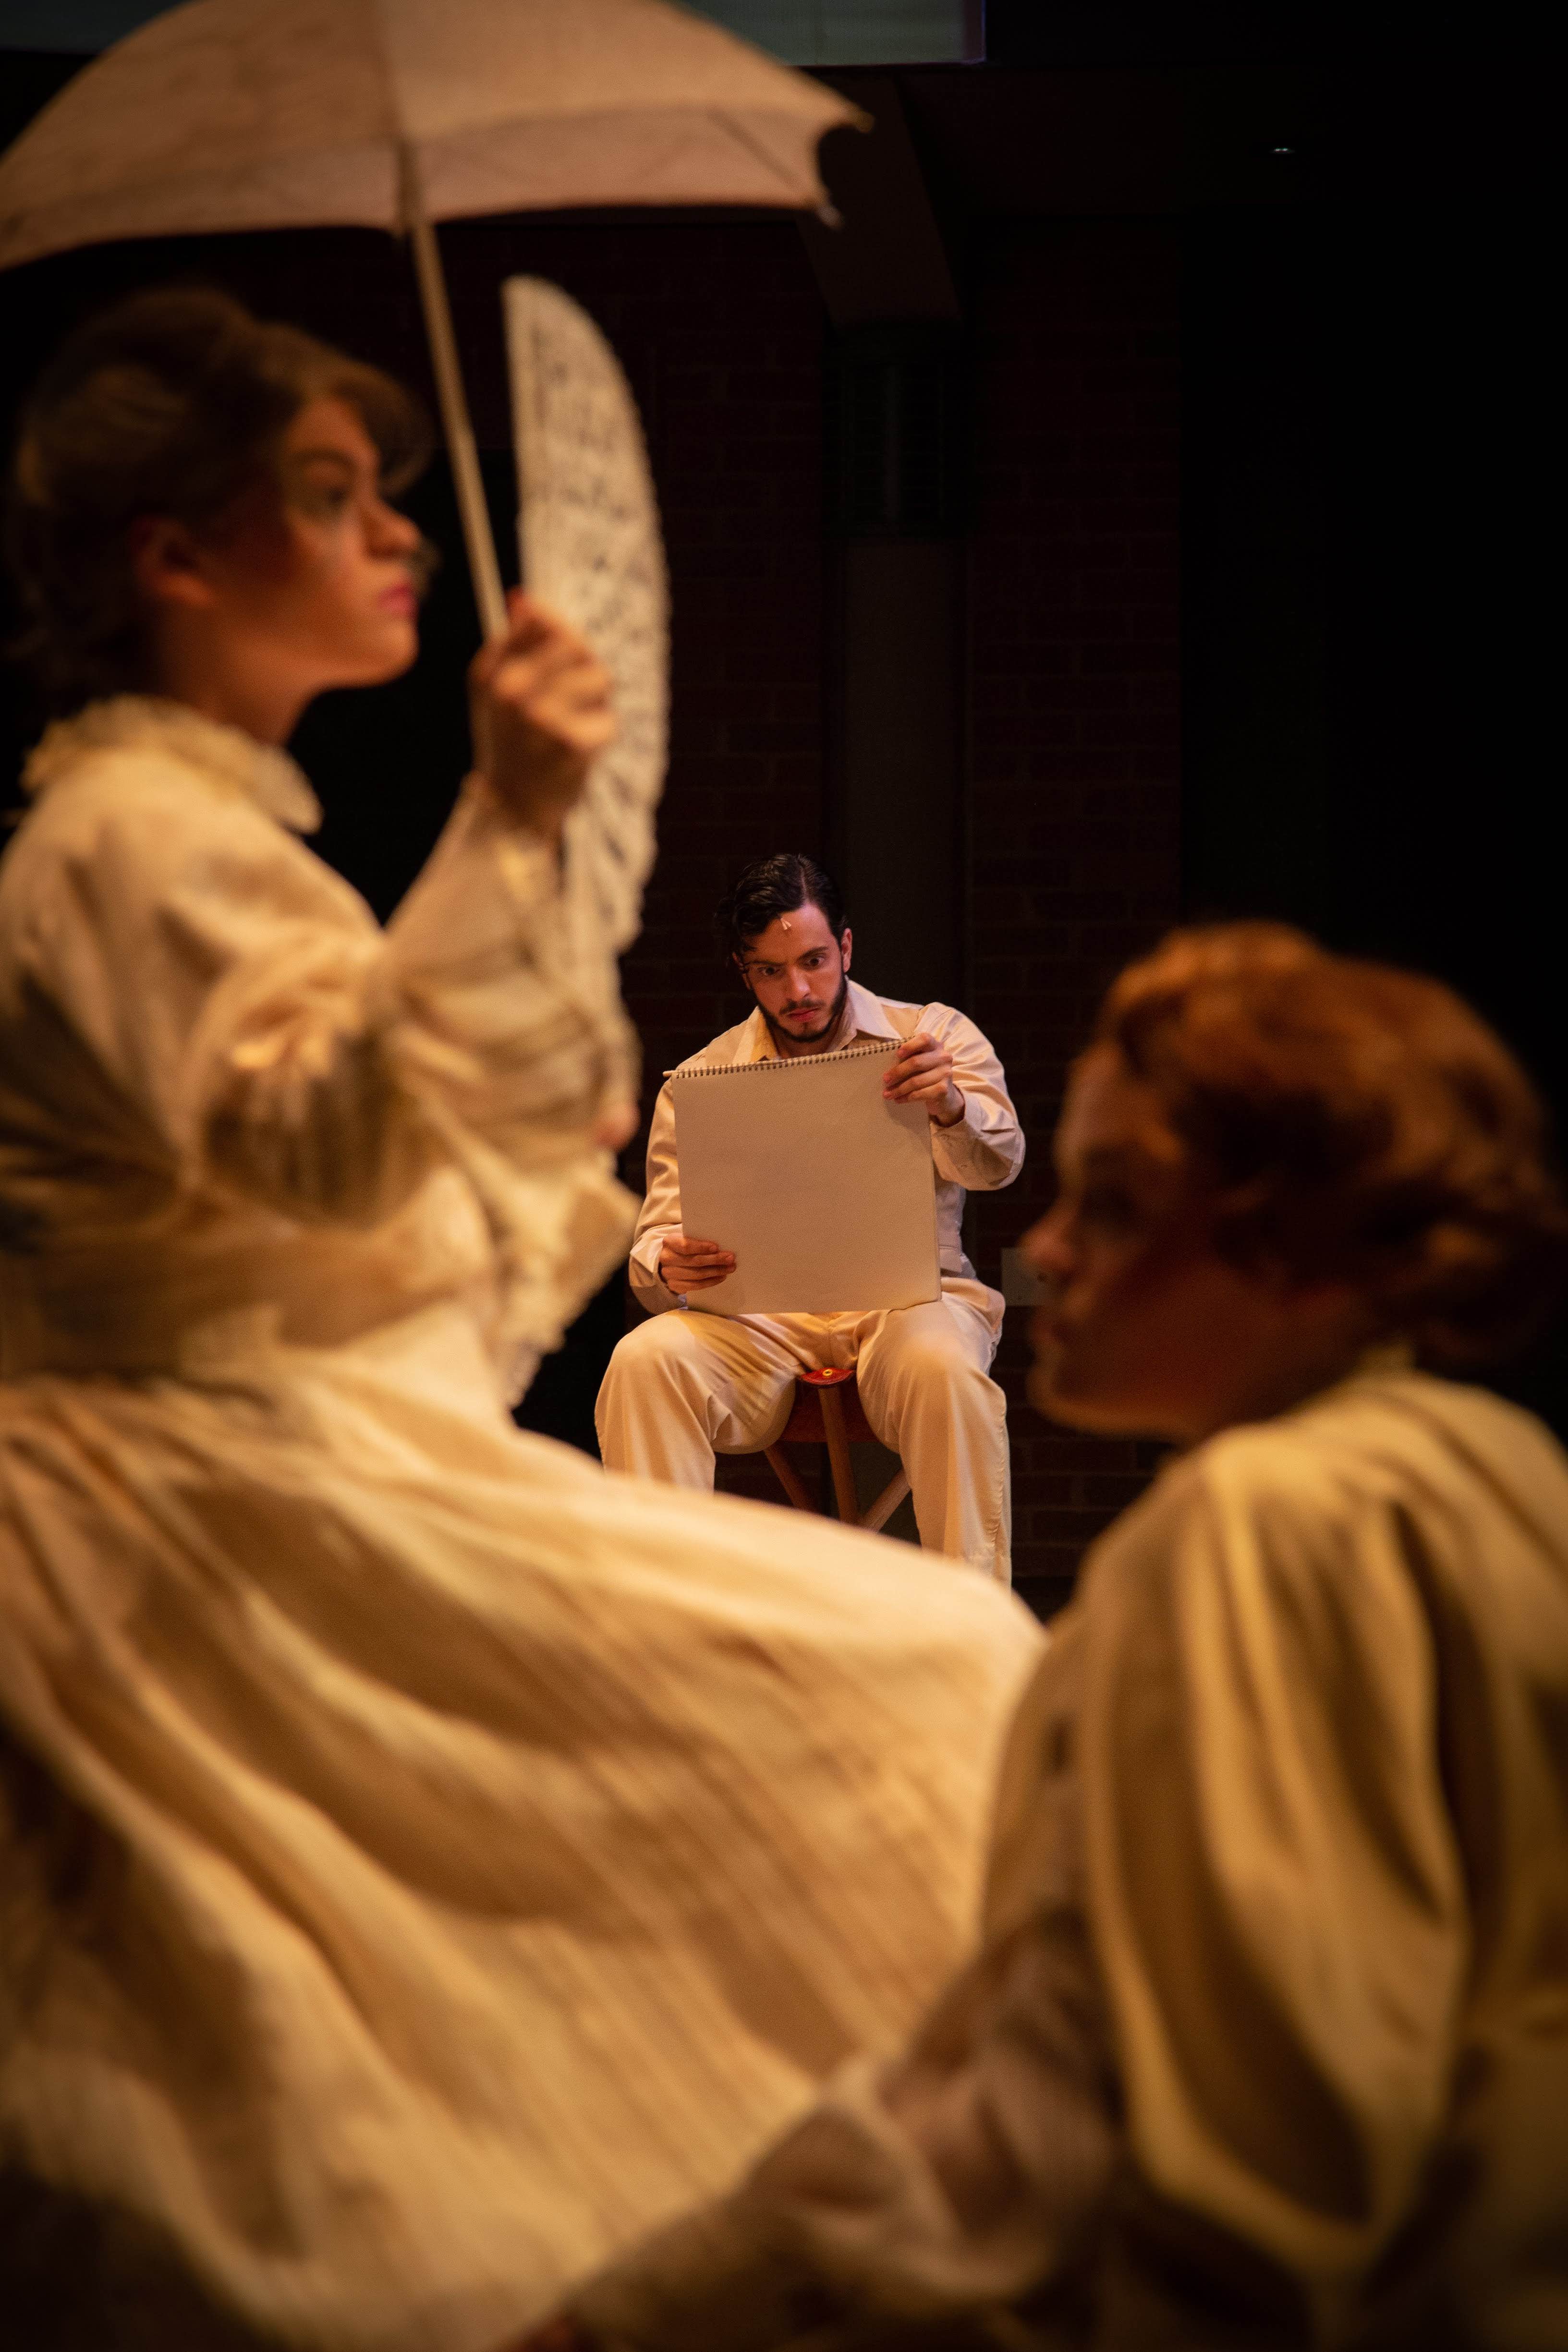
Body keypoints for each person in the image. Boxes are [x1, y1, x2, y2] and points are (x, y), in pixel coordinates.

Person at [0, 289, 1042, 2352]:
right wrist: (506, 833)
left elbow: (335, 1192)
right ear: (176, 557)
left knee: (934, 1646)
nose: (397, 531)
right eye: (330, 494)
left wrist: (497, 1099)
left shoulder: (199, 837)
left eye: (386, 491)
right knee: (899, 1696)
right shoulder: (133, 844)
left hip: (323, 1423)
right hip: (193, 1479)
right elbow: (330, 1158)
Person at [555, 922, 1568, 2351]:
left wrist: (645, 2318)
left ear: (1289, 1248)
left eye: (1118, 1201)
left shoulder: (1262, 1530)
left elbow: (1207, 2145)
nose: (1050, 1248)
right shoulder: (1506, 1470)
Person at [596, 855, 1022, 1581]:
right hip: (759, 1324)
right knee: (644, 1361)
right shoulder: (702, 1079)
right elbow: (655, 1247)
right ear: (743, 972)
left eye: (814, 961)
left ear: (846, 948)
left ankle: (975, 1625)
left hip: (910, 1304)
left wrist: (950, 1105)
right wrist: (666, 1263)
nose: (797, 990)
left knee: (944, 1369)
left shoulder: (929, 1035)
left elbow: (999, 1165)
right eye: (770, 971)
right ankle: (663, 1629)